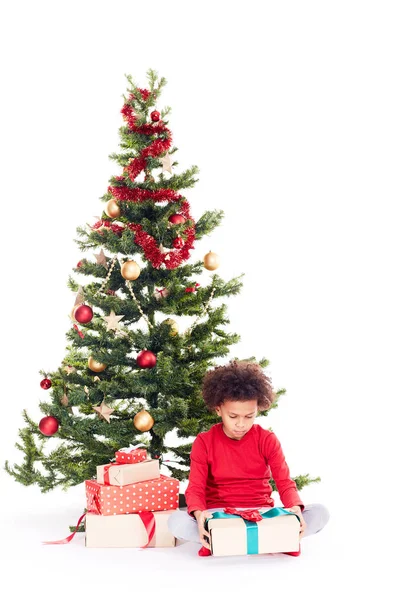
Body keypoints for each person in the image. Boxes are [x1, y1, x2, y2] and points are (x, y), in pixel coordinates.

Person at [167, 361, 329, 556]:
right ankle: (269, 540)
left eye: (249, 416)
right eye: (233, 416)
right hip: (221, 515)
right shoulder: (204, 442)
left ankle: (228, 542)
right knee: (176, 521)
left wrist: (294, 509)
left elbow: (285, 483)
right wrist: (200, 515)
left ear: (257, 411)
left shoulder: (267, 439)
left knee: (320, 513)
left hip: (261, 514)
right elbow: (195, 488)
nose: (241, 424)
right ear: (219, 409)